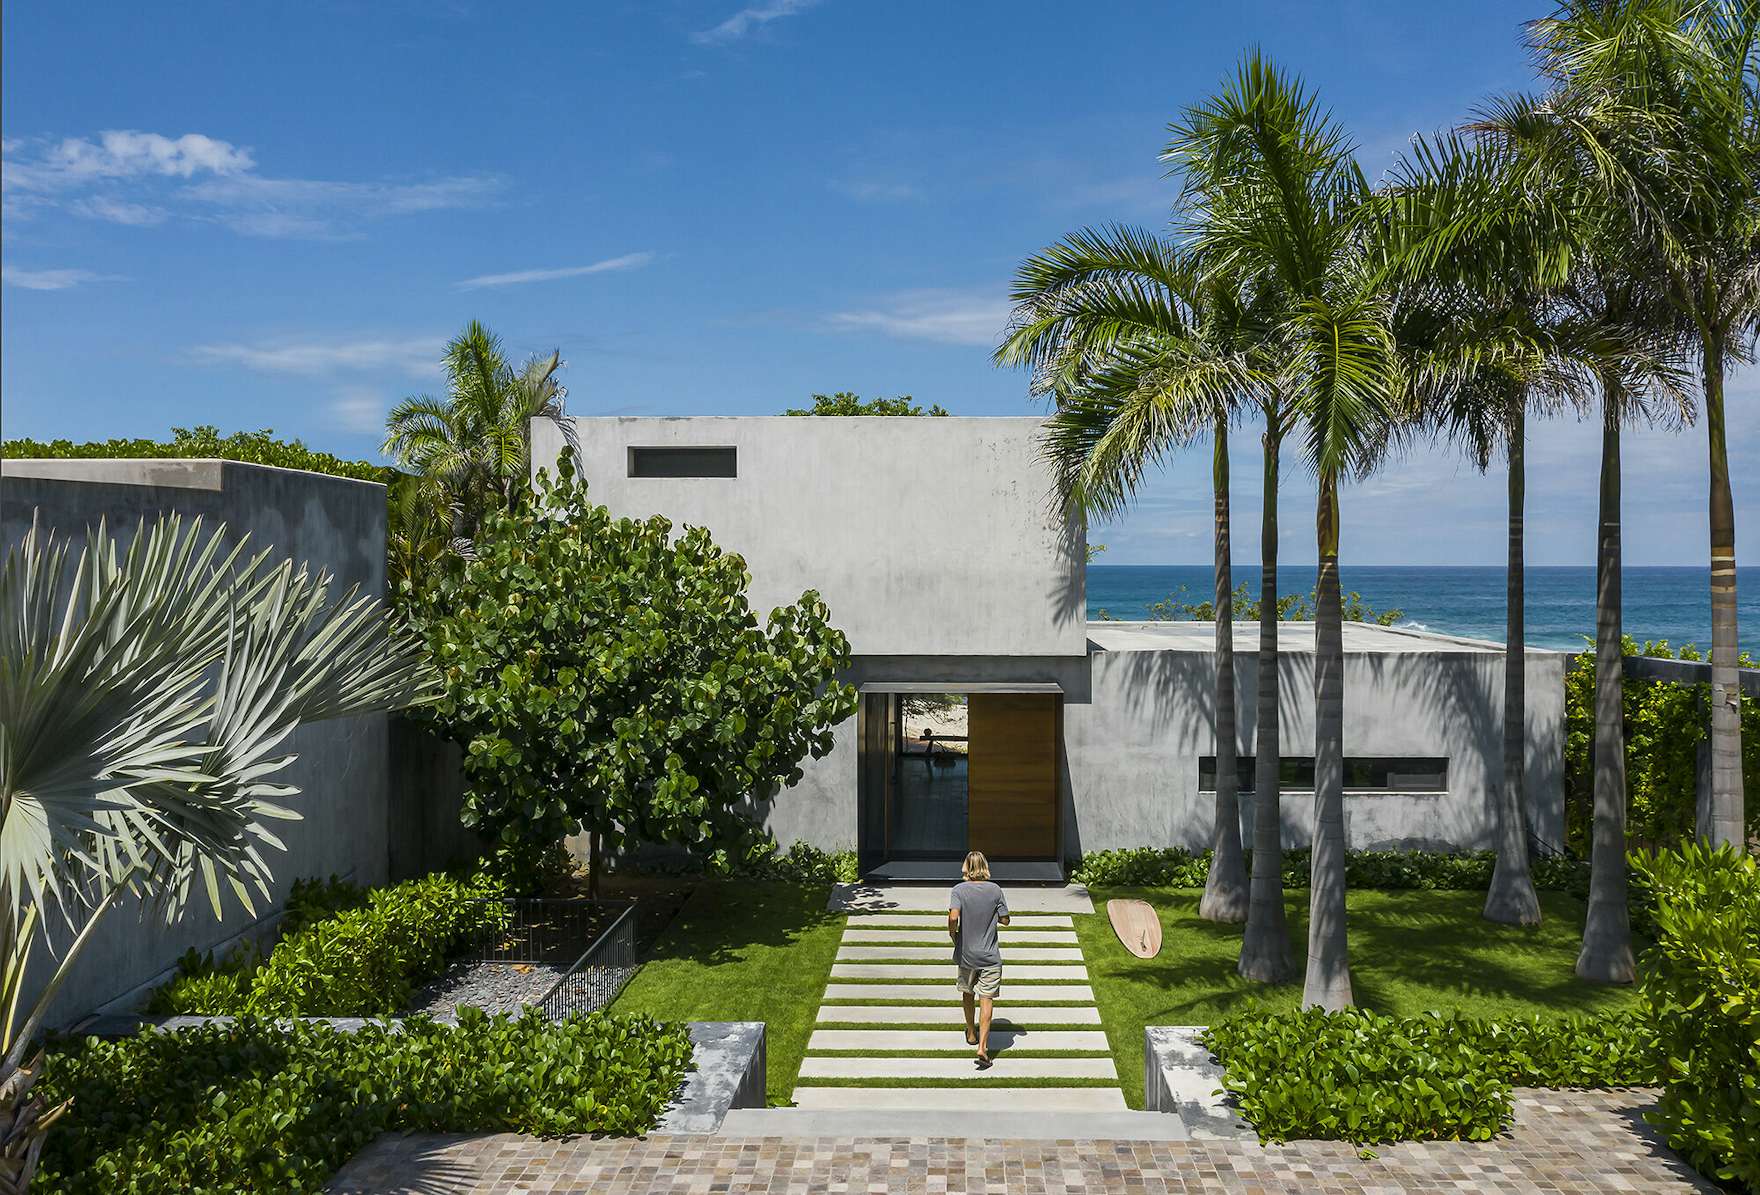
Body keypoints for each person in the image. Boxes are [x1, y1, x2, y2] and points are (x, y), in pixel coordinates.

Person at [948, 850, 1009, 1067]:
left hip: (967, 955)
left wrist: (953, 934)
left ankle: (971, 1033)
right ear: (984, 866)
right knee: (987, 998)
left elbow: (953, 917)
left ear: (967, 867)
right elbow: (1005, 920)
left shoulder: (958, 890)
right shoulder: (995, 890)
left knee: (967, 991)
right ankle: (982, 1047)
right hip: (990, 956)